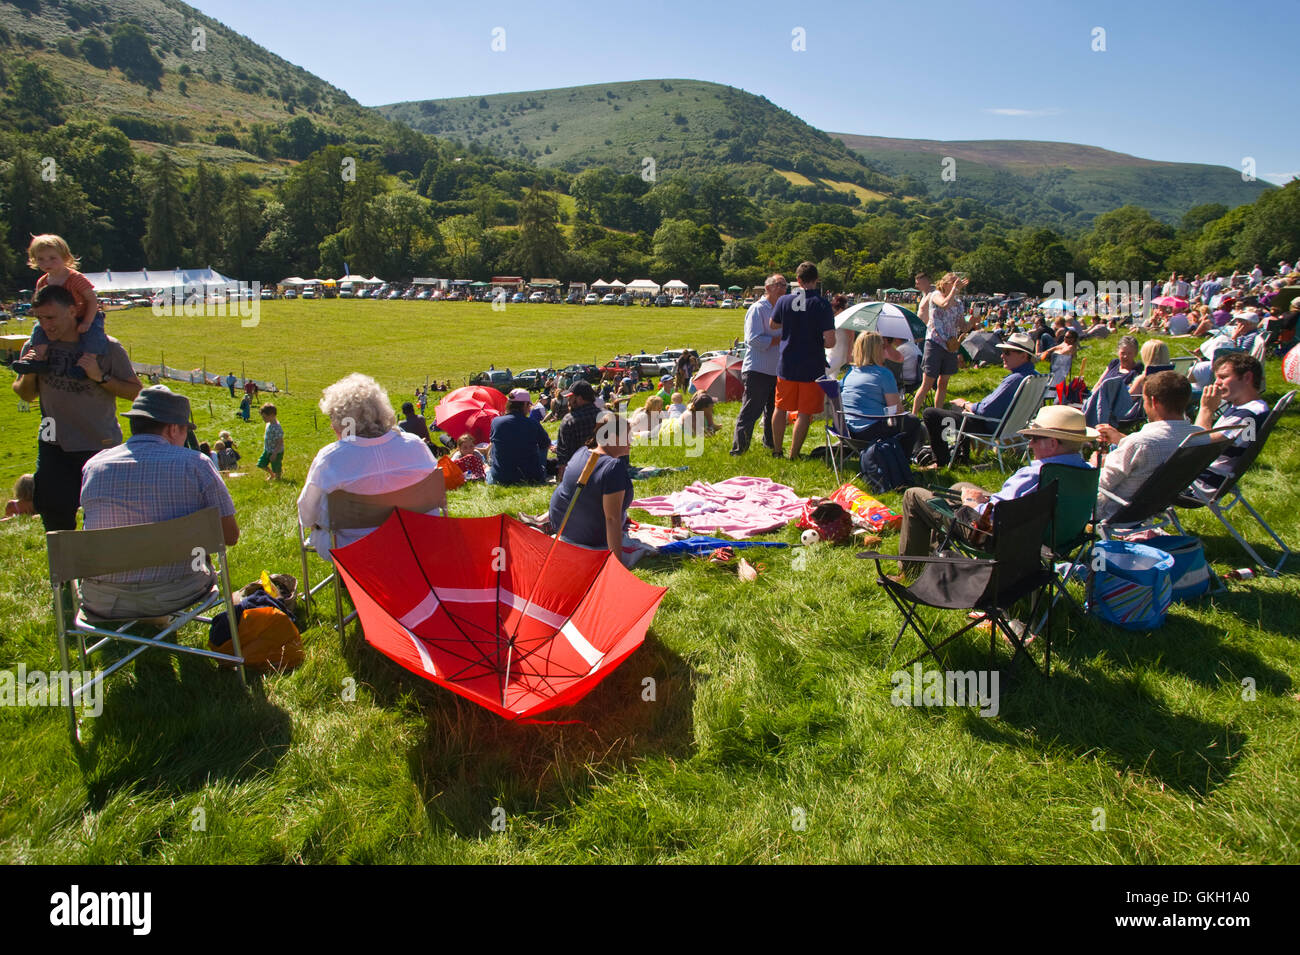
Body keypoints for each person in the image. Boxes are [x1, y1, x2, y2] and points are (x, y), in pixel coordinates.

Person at [78, 386, 239, 619]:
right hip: (179, 591)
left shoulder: (93, 466)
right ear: (173, 429)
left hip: (103, 598)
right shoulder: (196, 464)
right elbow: (230, 536)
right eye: (186, 431)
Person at [11, 285, 142, 531]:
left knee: (105, 517)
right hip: (53, 444)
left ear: (72, 311)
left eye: (51, 317)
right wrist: (31, 371)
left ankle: (102, 568)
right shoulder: (36, 347)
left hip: (99, 445)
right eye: (39, 318)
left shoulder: (106, 348)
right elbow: (24, 394)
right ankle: (63, 569)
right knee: (53, 513)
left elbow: (136, 391)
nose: (45, 325)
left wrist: (99, 377)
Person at [898, 405, 1095, 564]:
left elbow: (992, 517)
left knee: (914, 495)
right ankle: (940, 556)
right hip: (1054, 538)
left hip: (998, 538)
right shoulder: (1085, 471)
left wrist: (972, 504)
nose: (1030, 444)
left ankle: (909, 570)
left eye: (1034, 438)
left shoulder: (1036, 473)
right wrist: (987, 499)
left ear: (1052, 443)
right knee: (960, 486)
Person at [297, 374, 440, 563]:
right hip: (417, 541)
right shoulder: (415, 446)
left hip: (355, 551)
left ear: (342, 423)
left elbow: (306, 516)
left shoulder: (330, 458)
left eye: (333, 418)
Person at [1094, 371, 1205, 521]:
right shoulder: (1200, 437)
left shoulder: (1140, 443)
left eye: (1144, 400)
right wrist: (1121, 439)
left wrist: (1096, 463)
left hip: (1113, 510)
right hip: (1153, 507)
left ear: (1154, 402)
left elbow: (1102, 484)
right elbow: (1163, 442)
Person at [920, 332, 1040, 468]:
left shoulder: (1015, 379)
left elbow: (984, 410)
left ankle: (941, 461)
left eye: (1007, 353)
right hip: (1011, 427)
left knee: (931, 414)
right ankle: (960, 455)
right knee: (954, 412)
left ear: (1023, 355)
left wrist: (965, 403)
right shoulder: (1035, 376)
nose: (1002, 356)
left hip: (991, 426)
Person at [547, 411, 634, 567]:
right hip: (590, 537)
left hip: (563, 526)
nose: (631, 441)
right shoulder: (613, 467)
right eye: (627, 436)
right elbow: (612, 519)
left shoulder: (582, 452)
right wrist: (617, 564)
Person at [12, 235, 105, 379]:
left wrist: (87, 321)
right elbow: (40, 303)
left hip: (85, 313)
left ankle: (86, 363)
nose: (46, 262)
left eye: (52, 258)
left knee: (94, 335)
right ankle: (38, 358)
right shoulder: (42, 282)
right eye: (40, 259)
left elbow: (92, 300)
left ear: (65, 257)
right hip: (57, 318)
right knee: (38, 330)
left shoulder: (76, 278)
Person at [770, 261, 836, 459]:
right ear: (816, 280)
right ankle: (794, 454)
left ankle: (777, 450)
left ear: (797, 280)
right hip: (812, 365)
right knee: (804, 412)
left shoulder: (784, 301)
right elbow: (831, 341)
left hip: (787, 362)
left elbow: (773, 324)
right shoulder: (822, 304)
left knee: (780, 407)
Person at [1193, 352, 1269, 491]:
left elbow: (1199, 443)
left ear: (1247, 377)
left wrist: (1206, 409)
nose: (1216, 383)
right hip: (1212, 478)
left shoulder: (1247, 415)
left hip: (1200, 483)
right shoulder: (1257, 408)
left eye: (1223, 377)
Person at [840, 332, 923, 454]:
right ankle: (901, 460)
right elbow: (896, 411)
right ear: (877, 350)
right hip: (870, 432)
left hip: (847, 431)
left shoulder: (850, 373)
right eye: (883, 347)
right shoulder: (883, 374)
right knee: (913, 422)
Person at [730, 273, 785, 455]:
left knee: (773, 412)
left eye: (785, 285)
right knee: (751, 411)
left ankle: (770, 445)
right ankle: (739, 449)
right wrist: (779, 339)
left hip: (777, 369)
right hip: (758, 369)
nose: (783, 288)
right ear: (768, 287)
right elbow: (753, 340)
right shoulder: (758, 309)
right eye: (779, 284)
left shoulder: (783, 310)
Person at [911, 272, 972, 415]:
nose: (956, 284)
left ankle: (937, 415)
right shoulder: (935, 295)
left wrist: (973, 321)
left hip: (950, 346)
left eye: (957, 282)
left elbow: (962, 326)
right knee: (927, 383)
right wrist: (954, 290)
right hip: (934, 342)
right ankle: (913, 416)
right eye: (953, 281)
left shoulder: (958, 304)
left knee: (943, 383)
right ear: (945, 284)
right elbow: (944, 304)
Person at [488, 388, 550, 485]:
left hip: (501, 477)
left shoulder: (496, 422)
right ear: (525, 404)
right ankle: (541, 471)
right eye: (529, 405)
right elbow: (545, 444)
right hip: (530, 476)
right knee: (542, 447)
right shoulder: (532, 423)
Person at [554, 380, 600, 481]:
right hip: (602, 470)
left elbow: (563, 455)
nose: (568, 401)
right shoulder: (606, 416)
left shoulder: (569, 420)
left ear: (579, 399)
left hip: (577, 472)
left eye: (570, 397)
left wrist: (561, 479)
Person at [825, 293, 854, 377]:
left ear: (841, 308)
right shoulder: (834, 318)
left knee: (822, 373)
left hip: (839, 355)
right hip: (832, 353)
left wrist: (849, 355)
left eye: (835, 309)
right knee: (833, 378)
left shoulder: (845, 320)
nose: (833, 311)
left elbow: (851, 337)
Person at [257, 403, 283, 482]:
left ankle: (278, 478)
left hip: (276, 452)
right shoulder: (268, 424)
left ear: (272, 415)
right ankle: (272, 474)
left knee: (276, 467)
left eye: (264, 417)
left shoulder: (277, 427)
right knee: (261, 464)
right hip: (267, 450)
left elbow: (280, 442)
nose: (263, 419)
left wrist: (275, 453)